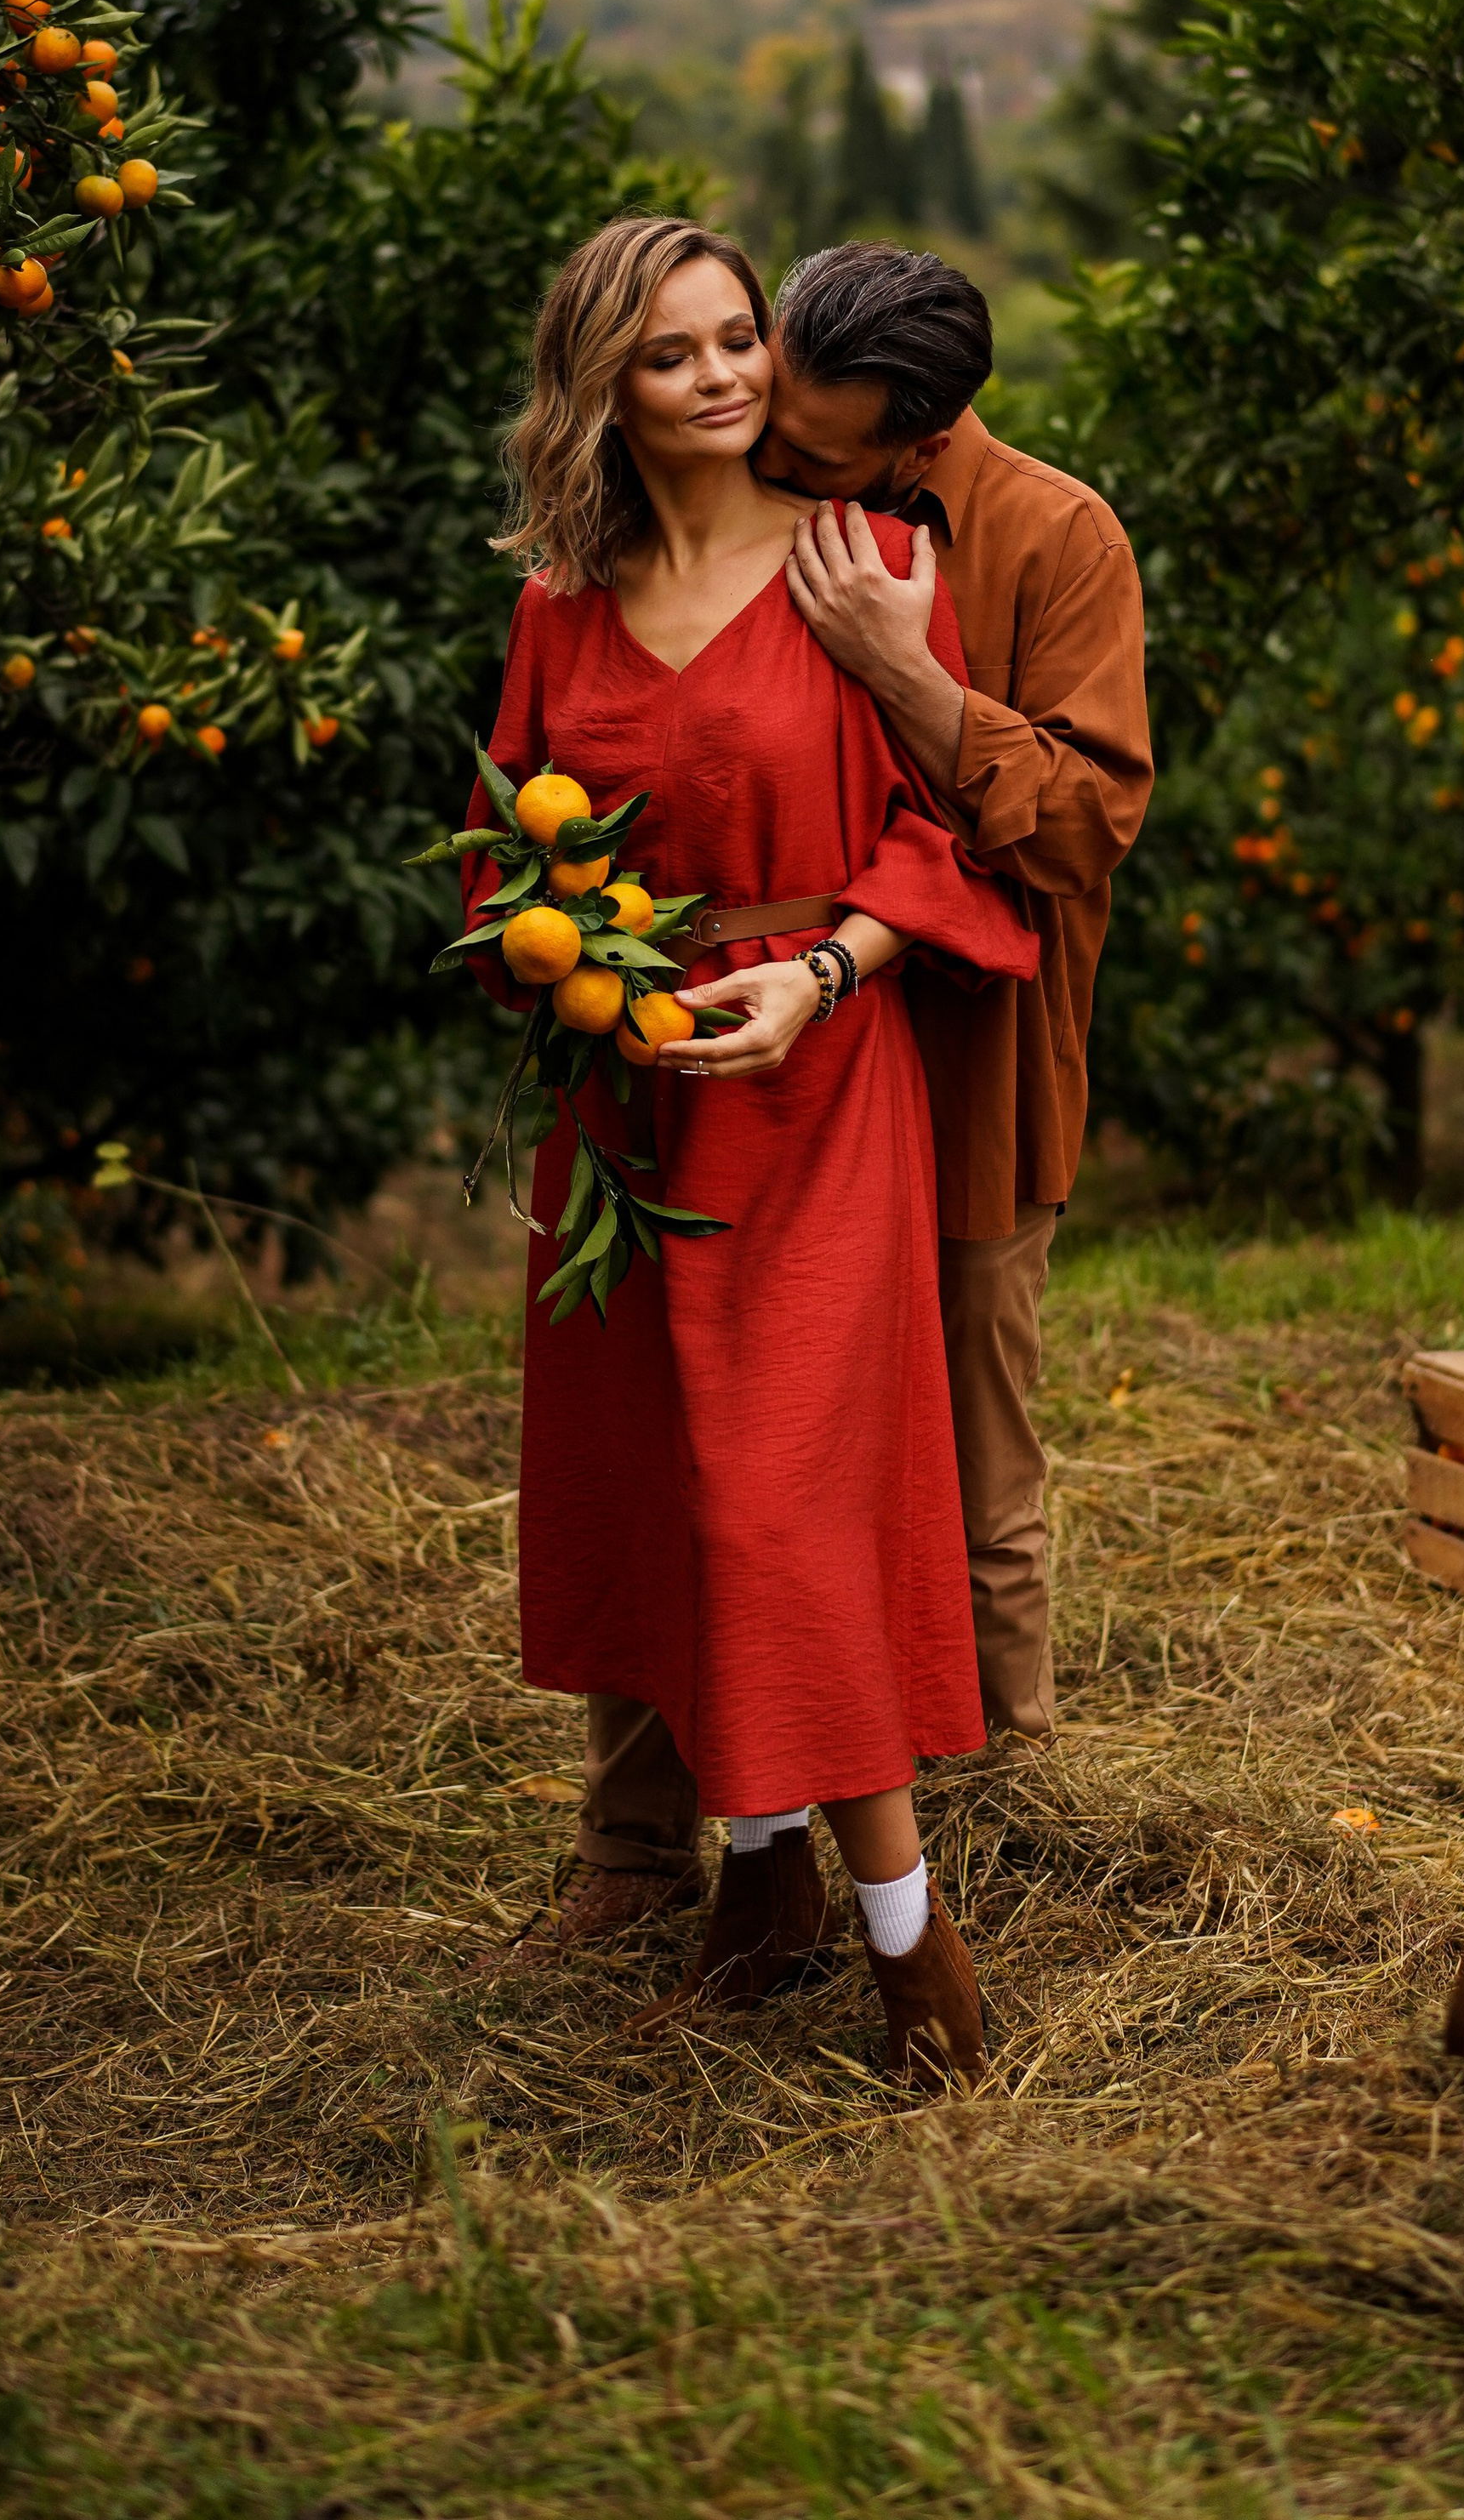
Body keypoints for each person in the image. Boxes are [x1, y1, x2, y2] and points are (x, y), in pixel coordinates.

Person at [470, 213, 1040, 2088]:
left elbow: (947, 839)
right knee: (673, 1491)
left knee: (775, 1507)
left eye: (735, 340)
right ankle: (761, 1884)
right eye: (672, 354)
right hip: (631, 1110)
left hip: (811, 1080)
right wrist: (575, 980)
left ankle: (911, 1942)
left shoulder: (865, 563)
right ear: (602, 390)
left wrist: (815, 972)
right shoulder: (562, 599)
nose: (720, 378)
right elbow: (509, 863)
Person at [555, 241, 1152, 1937]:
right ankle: (646, 1833)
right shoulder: (743, 513)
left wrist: (908, 672)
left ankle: (991, 1824)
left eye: (812, 453)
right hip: (749, 1067)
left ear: (905, 441)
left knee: (963, 1467)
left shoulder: (1050, 538)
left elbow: (1089, 825)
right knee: (692, 1443)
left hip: (964, 1071)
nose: (770, 456)